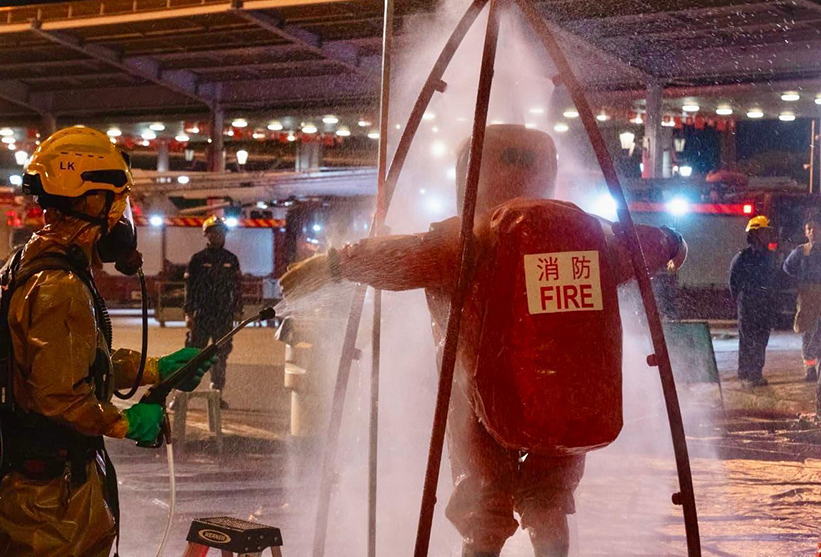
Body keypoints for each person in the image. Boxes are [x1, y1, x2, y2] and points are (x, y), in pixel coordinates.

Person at [279, 125, 686, 557]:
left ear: (469, 172)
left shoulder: (469, 237)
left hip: (482, 397)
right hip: (568, 398)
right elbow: (657, 245)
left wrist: (335, 265)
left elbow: (401, 257)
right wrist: (673, 241)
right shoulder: (592, 235)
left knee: (484, 503)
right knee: (549, 500)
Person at [0, 126, 214, 557]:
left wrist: (156, 369)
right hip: (53, 502)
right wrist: (126, 422)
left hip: (38, 488)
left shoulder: (34, 262)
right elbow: (59, 396)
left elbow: (75, 359)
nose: (120, 220)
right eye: (117, 203)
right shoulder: (59, 285)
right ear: (90, 201)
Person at [184, 216, 242, 408]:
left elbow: (237, 288)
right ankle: (181, 395)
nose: (217, 236)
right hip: (201, 316)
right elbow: (189, 288)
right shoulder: (197, 260)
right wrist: (188, 313)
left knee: (220, 357)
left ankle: (216, 396)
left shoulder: (231, 260)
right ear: (206, 235)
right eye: (213, 232)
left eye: (220, 232)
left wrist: (238, 310)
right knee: (193, 356)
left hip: (223, 317)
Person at [728, 215, 778, 387]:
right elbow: (733, 283)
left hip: (764, 307)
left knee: (761, 341)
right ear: (755, 234)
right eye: (764, 232)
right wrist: (741, 303)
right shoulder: (742, 257)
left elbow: (776, 281)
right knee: (748, 340)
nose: (768, 235)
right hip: (748, 306)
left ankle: (755, 373)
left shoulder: (770, 257)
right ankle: (746, 373)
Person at [783, 212, 821, 382]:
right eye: (809, 228)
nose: (812, 231)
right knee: (808, 330)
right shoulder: (801, 251)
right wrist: (800, 280)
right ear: (805, 232)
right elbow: (787, 267)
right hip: (808, 296)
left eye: (815, 228)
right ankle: (810, 368)